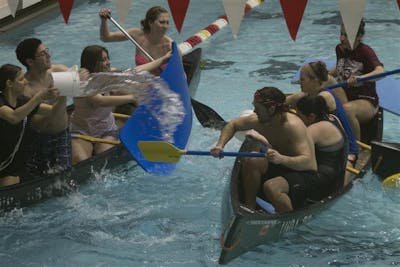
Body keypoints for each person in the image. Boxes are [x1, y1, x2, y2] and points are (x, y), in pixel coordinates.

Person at [210, 87, 317, 213]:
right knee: (252, 161)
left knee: (271, 187)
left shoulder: (292, 127)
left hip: (303, 172)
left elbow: (309, 163)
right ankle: (249, 209)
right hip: (280, 164)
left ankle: (283, 219)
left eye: (258, 108)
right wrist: (220, 145)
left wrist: (281, 159)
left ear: (271, 109)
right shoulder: (258, 120)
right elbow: (232, 125)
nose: (254, 111)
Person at [70, 45, 137, 164]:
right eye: (103, 60)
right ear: (92, 63)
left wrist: (162, 60)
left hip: (107, 130)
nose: (108, 62)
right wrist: (132, 97)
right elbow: (100, 101)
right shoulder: (82, 81)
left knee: (103, 160)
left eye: (107, 58)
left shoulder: (107, 74)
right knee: (80, 161)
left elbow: (136, 71)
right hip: (81, 132)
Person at [15, 38, 72, 176]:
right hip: (40, 138)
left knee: (65, 176)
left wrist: (80, 77)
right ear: (30, 61)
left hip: (63, 134)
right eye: (42, 54)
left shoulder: (59, 72)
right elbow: (37, 123)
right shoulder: (25, 88)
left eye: (47, 51)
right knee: (42, 177)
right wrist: (62, 97)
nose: (48, 56)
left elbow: (84, 89)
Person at [286, 61, 359, 168]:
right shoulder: (311, 93)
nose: (299, 82)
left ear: (315, 80)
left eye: (302, 80)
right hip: (328, 143)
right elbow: (288, 100)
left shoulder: (324, 98)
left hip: (345, 149)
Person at [0, 64, 59, 186]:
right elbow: (14, 117)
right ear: (9, 83)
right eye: (21, 79)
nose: (26, 82)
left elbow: (54, 112)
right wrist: (38, 97)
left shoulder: (23, 101)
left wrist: (62, 96)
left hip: (16, 164)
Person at [329, 19, 384, 140]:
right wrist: (325, 74)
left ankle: (356, 149)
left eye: (346, 35)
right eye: (341, 34)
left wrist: (360, 78)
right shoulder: (340, 48)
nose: (342, 38)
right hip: (347, 96)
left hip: (366, 100)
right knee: (324, 86)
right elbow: (340, 66)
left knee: (347, 110)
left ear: (359, 36)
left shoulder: (365, 51)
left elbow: (381, 72)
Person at [296, 95, 348, 199]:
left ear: (311, 116)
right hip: (337, 179)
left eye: (299, 116)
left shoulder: (316, 129)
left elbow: (292, 151)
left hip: (323, 184)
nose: (298, 120)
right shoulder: (333, 118)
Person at [99, 6, 173, 75]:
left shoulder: (170, 45)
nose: (166, 26)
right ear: (150, 22)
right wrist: (103, 21)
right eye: (162, 22)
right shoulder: (137, 34)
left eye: (167, 22)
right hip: (140, 81)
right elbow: (106, 38)